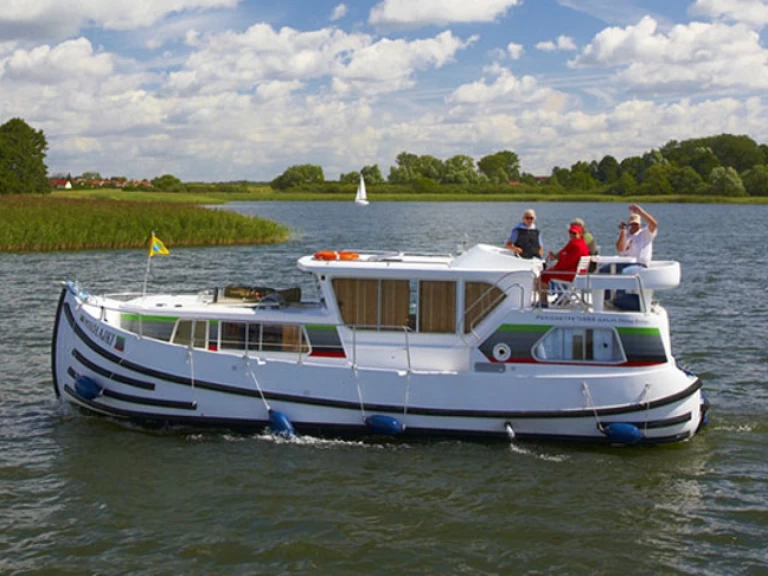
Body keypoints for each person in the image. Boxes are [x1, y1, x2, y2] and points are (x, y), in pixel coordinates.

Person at [537, 223, 590, 305]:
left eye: (574, 233)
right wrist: (556, 258)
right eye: (570, 232)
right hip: (575, 273)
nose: (572, 235)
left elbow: (566, 263)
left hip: (570, 275)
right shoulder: (580, 244)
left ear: (580, 234)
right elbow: (563, 256)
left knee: (543, 275)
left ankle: (543, 301)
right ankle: (561, 298)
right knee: (547, 273)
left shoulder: (576, 246)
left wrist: (553, 268)